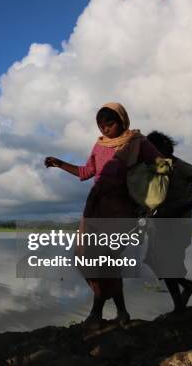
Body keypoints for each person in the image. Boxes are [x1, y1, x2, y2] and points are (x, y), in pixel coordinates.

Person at [45, 102, 161, 328]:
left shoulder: (138, 142)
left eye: (110, 124)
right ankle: (122, 313)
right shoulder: (99, 146)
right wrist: (59, 163)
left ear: (122, 121)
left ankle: (96, 314)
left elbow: (161, 167)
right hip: (96, 208)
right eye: (101, 125)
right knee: (87, 258)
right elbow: (86, 172)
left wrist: (147, 199)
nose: (105, 129)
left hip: (123, 210)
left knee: (105, 261)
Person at [145, 131, 192, 312]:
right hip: (161, 223)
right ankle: (186, 290)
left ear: (164, 150)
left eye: (153, 151)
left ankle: (179, 308)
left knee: (169, 265)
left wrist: (183, 208)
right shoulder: (158, 168)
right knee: (158, 263)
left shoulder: (183, 167)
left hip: (178, 224)